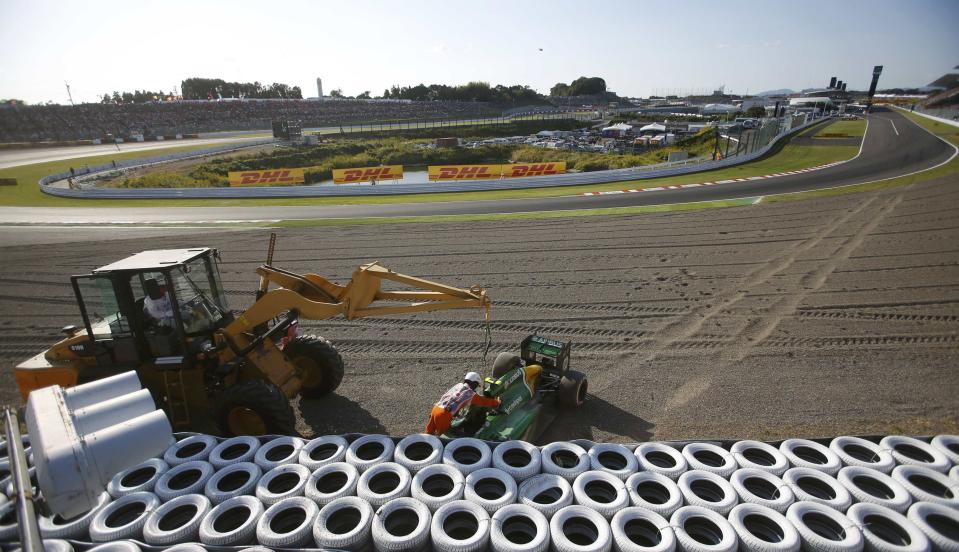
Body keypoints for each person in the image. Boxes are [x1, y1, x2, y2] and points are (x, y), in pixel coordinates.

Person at [425, 372, 501, 436]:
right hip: (443, 414)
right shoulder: (470, 393)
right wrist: (497, 403)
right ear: (474, 383)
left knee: (429, 433)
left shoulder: (458, 385)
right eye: (477, 385)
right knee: (445, 438)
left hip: (436, 408)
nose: (476, 388)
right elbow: (484, 402)